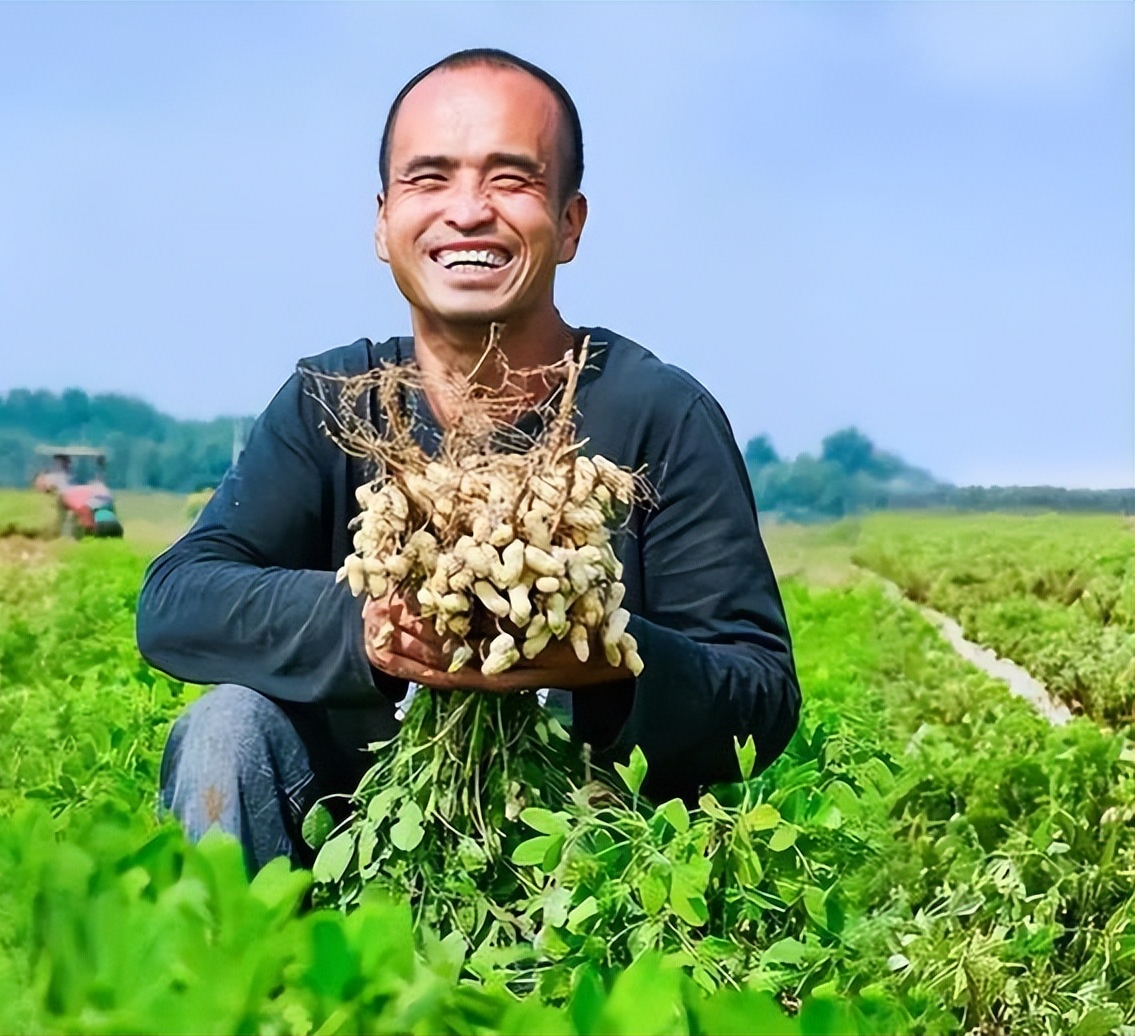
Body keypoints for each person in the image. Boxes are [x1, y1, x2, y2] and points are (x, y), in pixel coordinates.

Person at [136, 48, 800, 874]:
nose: (468, 211)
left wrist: (610, 660)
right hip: (353, 824)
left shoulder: (660, 414)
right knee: (225, 729)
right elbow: (176, 601)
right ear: (383, 223)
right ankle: (244, 984)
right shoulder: (333, 399)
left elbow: (761, 693)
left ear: (570, 224)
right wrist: (372, 630)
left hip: (584, 850)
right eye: (429, 179)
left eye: (511, 179)